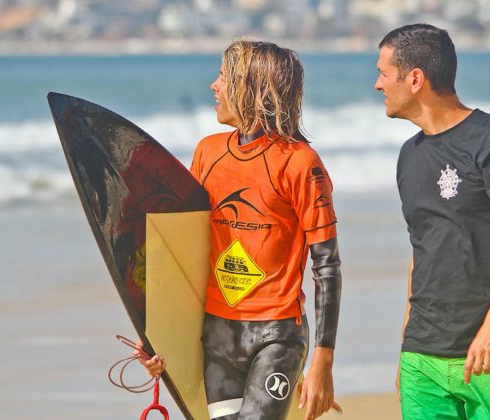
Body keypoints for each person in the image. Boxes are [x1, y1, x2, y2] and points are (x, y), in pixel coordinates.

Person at [136, 39, 342, 420]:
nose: (213, 86)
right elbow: (183, 250)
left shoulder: (300, 164)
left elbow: (326, 267)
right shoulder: (207, 153)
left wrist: (323, 361)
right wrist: (157, 334)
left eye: (224, 77)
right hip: (217, 334)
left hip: (277, 336)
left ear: (253, 88)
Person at [375, 24, 490, 419]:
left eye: (384, 73)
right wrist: (408, 342)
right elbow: (421, 248)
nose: (377, 84)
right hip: (424, 358)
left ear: (415, 78)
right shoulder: (409, 156)